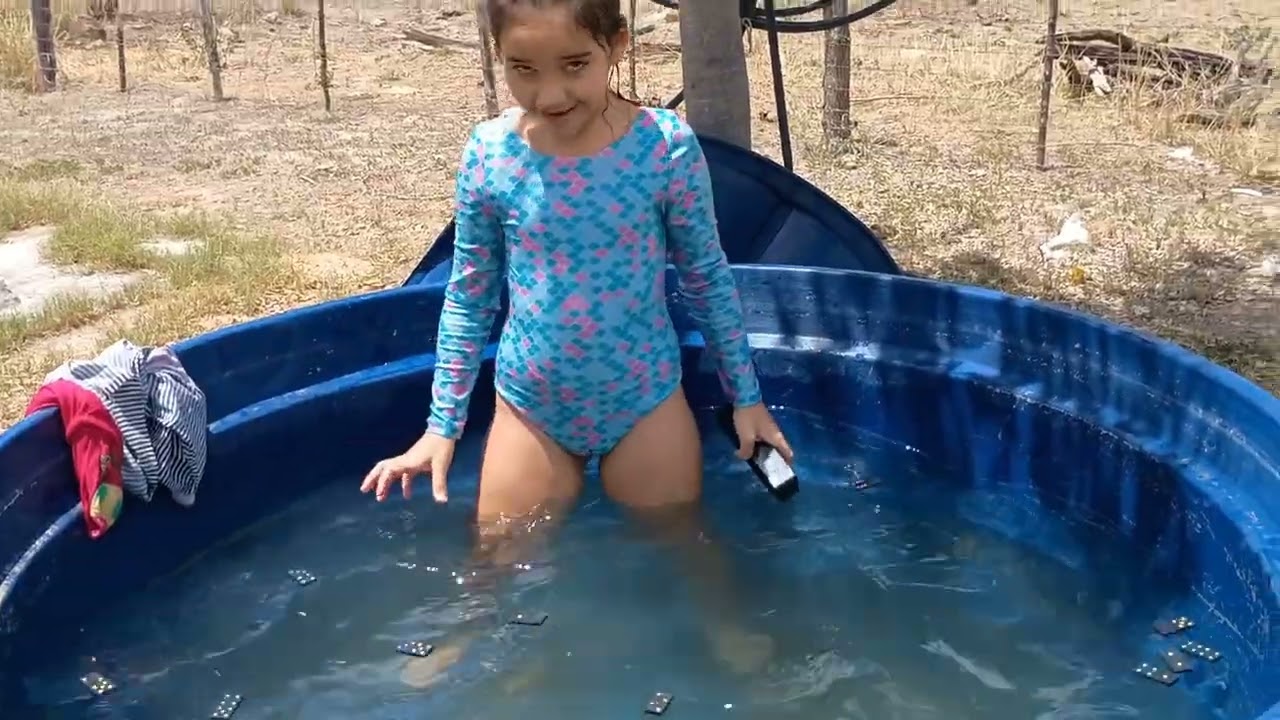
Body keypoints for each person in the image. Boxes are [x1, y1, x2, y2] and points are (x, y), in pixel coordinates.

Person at [360, 0, 795, 686]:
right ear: (496, 56)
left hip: (643, 399)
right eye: (522, 70)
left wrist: (747, 399)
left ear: (616, 44)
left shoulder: (663, 146)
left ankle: (721, 621)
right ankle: (469, 633)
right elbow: (469, 293)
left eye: (574, 66)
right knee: (497, 555)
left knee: (682, 538)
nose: (550, 93)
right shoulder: (491, 154)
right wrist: (441, 427)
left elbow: (706, 274)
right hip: (533, 405)